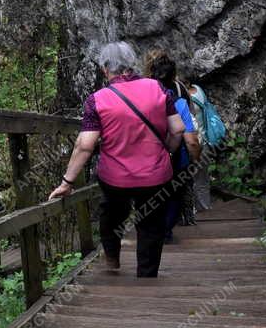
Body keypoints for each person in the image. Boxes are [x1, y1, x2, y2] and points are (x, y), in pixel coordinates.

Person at [48, 41, 184, 279]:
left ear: (104, 69)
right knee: (151, 225)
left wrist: (66, 182)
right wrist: (168, 153)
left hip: (116, 178)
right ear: (132, 64)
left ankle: (112, 258)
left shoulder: (97, 100)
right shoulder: (159, 89)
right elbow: (178, 130)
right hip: (155, 175)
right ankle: (147, 276)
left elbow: (85, 145)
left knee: (112, 214)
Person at [144, 51, 202, 241]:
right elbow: (191, 140)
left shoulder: (142, 99)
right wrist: (195, 159)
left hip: (146, 157)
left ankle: (150, 229)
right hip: (175, 159)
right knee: (173, 194)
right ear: (173, 76)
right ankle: (166, 231)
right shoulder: (180, 103)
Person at [187, 80, 214, 214]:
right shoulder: (199, 89)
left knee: (190, 178)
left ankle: (192, 210)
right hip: (205, 140)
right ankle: (205, 207)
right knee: (202, 178)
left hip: (193, 142)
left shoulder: (185, 98)